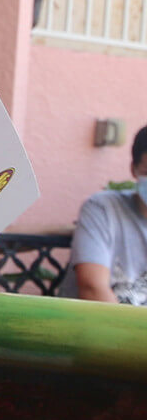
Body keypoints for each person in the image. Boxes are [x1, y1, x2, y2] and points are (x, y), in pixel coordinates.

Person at [70, 126, 147, 305]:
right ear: (133, 170)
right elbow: (92, 289)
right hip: (99, 327)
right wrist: (131, 333)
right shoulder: (102, 209)